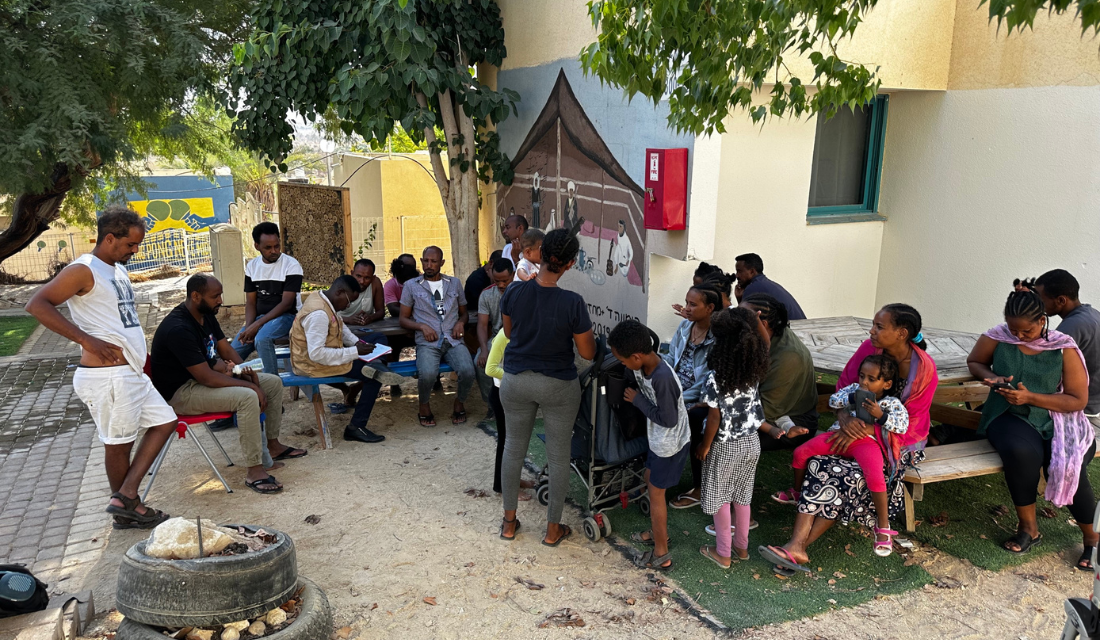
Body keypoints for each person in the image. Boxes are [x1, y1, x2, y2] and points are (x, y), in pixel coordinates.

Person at [25, 205, 176, 529]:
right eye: (130, 245)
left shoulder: (116, 268)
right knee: (118, 442)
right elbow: (37, 304)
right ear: (109, 238)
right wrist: (86, 340)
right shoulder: (84, 269)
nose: (135, 250)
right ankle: (127, 508)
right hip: (107, 377)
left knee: (165, 422)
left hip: (129, 373)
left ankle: (125, 497)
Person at [762, 303, 938, 574]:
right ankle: (796, 548)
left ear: (902, 333)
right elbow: (844, 386)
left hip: (897, 443)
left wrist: (867, 431)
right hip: (851, 430)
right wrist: (844, 419)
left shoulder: (924, 369)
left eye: (880, 327)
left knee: (848, 475)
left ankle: (797, 547)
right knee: (819, 463)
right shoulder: (870, 350)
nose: (872, 331)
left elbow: (910, 423)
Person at [967, 287, 1096, 569]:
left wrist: (1031, 397)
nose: (1018, 336)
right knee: (1020, 452)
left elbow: (1077, 400)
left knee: (1064, 464)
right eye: (1013, 330)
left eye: (1026, 331)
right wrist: (992, 377)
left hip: (1058, 418)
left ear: (1042, 321)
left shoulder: (1063, 347)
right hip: (1008, 413)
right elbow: (975, 362)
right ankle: (1029, 529)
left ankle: (1093, 538)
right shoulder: (997, 336)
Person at [150, 274, 304, 494]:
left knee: (272, 382)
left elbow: (227, 350)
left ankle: (273, 445)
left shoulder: (205, 314)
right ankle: (254, 470)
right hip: (182, 393)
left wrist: (245, 372)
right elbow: (206, 377)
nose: (221, 300)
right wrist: (250, 387)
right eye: (216, 296)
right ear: (195, 296)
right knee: (247, 397)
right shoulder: (178, 328)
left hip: (201, 381)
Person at [498, 229, 597, 545]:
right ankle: (553, 529)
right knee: (558, 456)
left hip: (515, 381)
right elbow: (587, 353)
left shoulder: (514, 292)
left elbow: (511, 335)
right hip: (558, 384)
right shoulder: (573, 302)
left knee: (513, 447)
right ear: (570, 264)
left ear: (539, 254)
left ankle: (509, 523)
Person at [781, 355, 908, 556]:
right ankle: (796, 492)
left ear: (887, 384)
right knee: (800, 452)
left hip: (868, 444)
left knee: (874, 475)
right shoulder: (853, 391)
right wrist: (851, 399)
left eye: (872, 379)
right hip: (838, 436)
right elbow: (833, 400)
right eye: (862, 376)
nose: (864, 382)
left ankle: (883, 526)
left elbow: (901, 426)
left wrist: (879, 415)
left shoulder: (891, 404)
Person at [607, 320, 690, 570]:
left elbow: (669, 419)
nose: (623, 365)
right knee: (648, 477)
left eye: (623, 361)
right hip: (657, 441)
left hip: (670, 444)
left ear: (636, 356)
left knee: (656, 496)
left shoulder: (663, 378)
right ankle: (657, 534)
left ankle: (661, 553)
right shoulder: (641, 365)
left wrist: (638, 401)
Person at [694, 308, 770, 568]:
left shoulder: (717, 378)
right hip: (752, 442)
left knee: (721, 498)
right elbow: (765, 343)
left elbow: (714, 418)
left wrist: (705, 445)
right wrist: (755, 321)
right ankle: (742, 548)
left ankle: (723, 553)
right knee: (742, 496)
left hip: (725, 446)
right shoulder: (753, 370)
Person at [290, 276, 397, 444]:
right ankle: (356, 427)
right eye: (349, 302)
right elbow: (317, 354)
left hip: (328, 355)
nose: (348, 307)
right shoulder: (318, 314)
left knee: (378, 337)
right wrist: (355, 351)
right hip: (314, 365)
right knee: (375, 377)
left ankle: (375, 363)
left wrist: (357, 343)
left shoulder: (323, 298)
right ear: (340, 292)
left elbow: (340, 325)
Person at [398, 246, 477, 427]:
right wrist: (421, 326)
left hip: (453, 339)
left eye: (434, 261)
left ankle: (459, 401)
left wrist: (460, 323)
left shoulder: (454, 283)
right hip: (428, 342)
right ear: (421, 261)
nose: (429, 265)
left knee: (467, 370)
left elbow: (464, 313)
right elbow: (403, 319)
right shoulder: (411, 286)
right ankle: (424, 405)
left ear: (442, 263)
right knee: (427, 373)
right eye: (426, 261)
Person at [664, 285, 719, 511]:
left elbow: (706, 382)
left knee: (694, 418)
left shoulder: (716, 339)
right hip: (674, 388)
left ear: (710, 308)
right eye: (686, 302)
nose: (687, 309)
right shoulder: (686, 326)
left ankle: (699, 487)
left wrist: (676, 399)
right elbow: (670, 357)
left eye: (693, 304)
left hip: (697, 397)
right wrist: (657, 381)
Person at [743, 293, 819, 451]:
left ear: (762, 324)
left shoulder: (787, 357)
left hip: (792, 421)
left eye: (741, 317)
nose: (734, 320)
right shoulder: (764, 337)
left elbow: (765, 410)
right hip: (766, 409)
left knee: (722, 430)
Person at [1028, 270, 1100, 427]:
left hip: (1080, 407)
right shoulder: (1093, 314)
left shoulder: (1071, 327)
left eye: (1040, 299)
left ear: (1060, 300)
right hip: (1094, 402)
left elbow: (1042, 368)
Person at [231, 222, 304, 374]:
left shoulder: (291, 265)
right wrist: (249, 327)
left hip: (288, 317)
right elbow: (251, 302)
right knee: (233, 351)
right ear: (257, 246)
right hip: (261, 318)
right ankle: (233, 385)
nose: (274, 251)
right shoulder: (252, 266)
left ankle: (272, 384)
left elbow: (286, 304)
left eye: (277, 246)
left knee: (262, 339)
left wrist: (256, 326)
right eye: (268, 248)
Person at [732, 253, 806, 320]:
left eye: (739, 271)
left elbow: (743, 320)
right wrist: (740, 298)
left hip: (793, 330)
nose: (737, 275)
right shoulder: (765, 283)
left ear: (752, 271)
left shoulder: (753, 287)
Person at [340, 259, 386, 329]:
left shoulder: (375, 283)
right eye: (358, 276)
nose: (362, 281)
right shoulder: (342, 285)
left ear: (373, 278)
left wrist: (370, 317)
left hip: (366, 329)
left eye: (367, 278)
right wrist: (348, 320)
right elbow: (329, 315)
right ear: (352, 274)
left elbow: (381, 311)